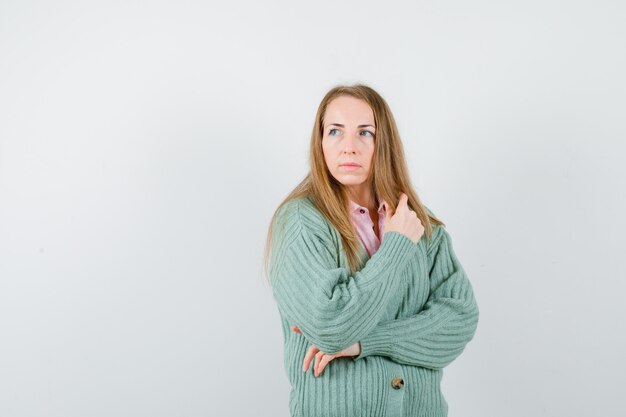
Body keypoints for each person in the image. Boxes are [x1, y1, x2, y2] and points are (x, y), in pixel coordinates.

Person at [263, 84, 479, 417]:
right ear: (319, 143)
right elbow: (330, 325)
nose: (349, 147)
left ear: (384, 144)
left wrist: (364, 342)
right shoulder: (300, 223)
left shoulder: (418, 224)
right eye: (335, 131)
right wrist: (396, 246)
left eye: (365, 133)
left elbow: (458, 321)